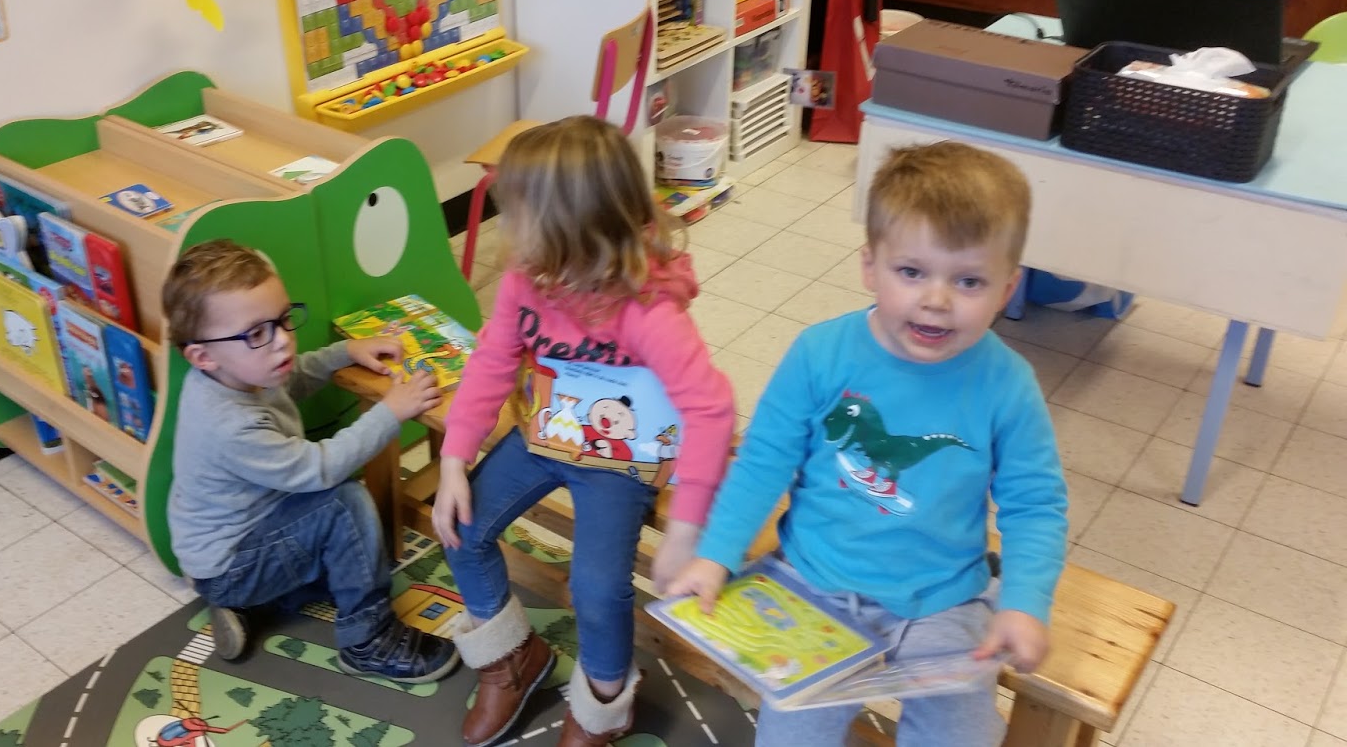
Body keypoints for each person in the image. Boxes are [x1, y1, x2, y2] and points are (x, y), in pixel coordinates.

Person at [668, 141, 1069, 746]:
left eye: (969, 281)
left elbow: (1035, 505)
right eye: (911, 272)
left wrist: (1024, 603)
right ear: (869, 266)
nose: (936, 300)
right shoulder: (820, 352)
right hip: (811, 584)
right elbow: (762, 463)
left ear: (1007, 289)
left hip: (943, 600)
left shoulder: (1008, 385)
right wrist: (716, 553)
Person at [432, 116, 737, 747]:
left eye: (520, 215)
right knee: (460, 526)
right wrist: (454, 461)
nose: (510, 230)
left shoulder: (649, 311)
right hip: (548, 435)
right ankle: (512, 659)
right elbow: (492, 360)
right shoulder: (528, 278)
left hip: (621, 462)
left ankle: (603, 704)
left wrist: (686, 531)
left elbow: (710, 410)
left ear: (571, 228)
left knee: (596, 590)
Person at [162, 239, 458, 682]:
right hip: (231, 565)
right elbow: (320, 469)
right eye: (256, 334)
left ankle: (254, 607)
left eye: (284, 319)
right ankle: (368, 639)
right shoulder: (227, 423)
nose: (283, 341)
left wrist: (344, 353)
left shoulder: (236, 371)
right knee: (344, 504)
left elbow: (293, 378)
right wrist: (391, 412)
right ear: (203, 356)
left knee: (350, 550)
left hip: (248, 537)